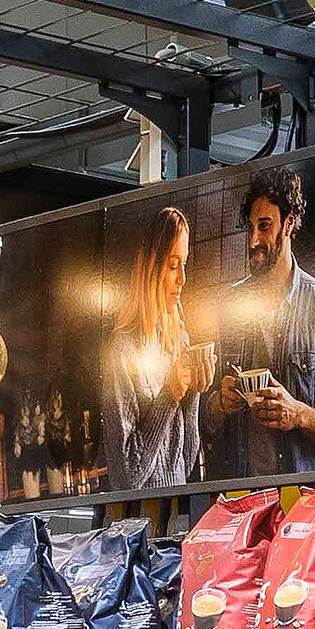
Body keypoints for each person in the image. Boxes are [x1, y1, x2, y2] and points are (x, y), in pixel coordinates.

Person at [206, 159, 315, 479]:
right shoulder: (230, 304)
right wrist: (219, 403)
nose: (253, 240)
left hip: (300, 501)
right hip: (239, 498)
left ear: (288, 224)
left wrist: (298, 414)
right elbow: (203, 422)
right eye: (250, 228)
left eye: (264, 226)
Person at [103, 205, 214, 491]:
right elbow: (127, 477)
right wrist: (170, 394)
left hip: (178, 509)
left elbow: (185, 464)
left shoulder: (179, 341)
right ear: (151, 268)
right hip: (141, 515)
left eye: (185, 264)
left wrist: (193, 393)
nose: (183, 279)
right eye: (173, 266)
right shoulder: (122, 350)